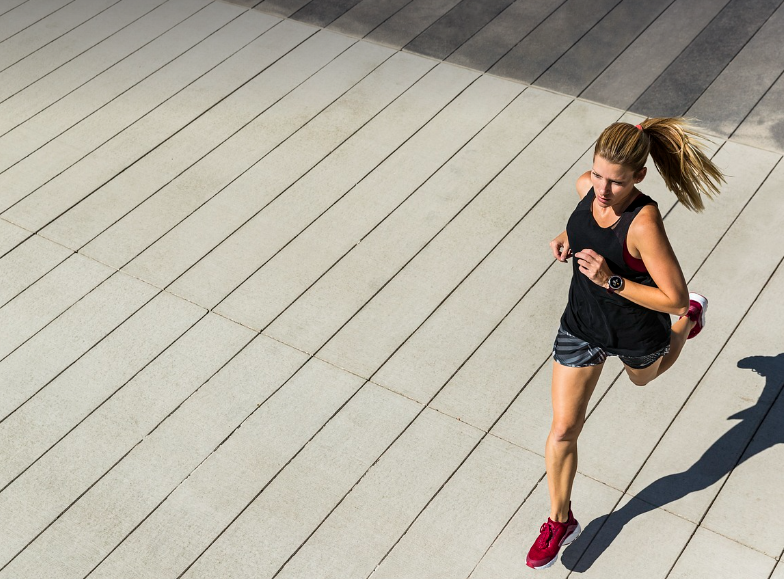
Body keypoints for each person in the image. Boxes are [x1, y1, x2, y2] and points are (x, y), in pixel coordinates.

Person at [525, 118, 725, 570]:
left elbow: (671, 296)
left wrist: (610, 279)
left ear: (639, 177)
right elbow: (582, 219)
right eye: (597, 174)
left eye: (615, 181)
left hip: (637, 329)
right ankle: (560, 520)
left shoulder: (643, 222)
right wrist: (565, 236)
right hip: (581, 324)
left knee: (644, 379)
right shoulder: (587, 188)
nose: (602, 189)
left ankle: (692, 322)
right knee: (562, 430)